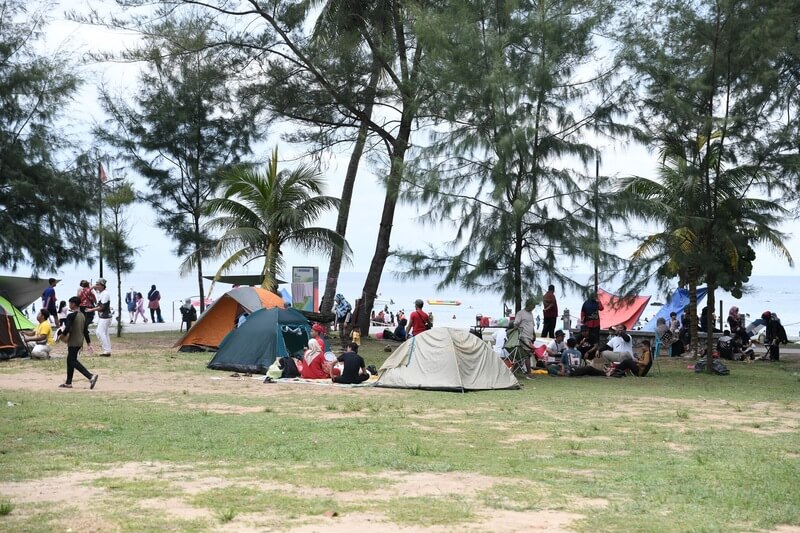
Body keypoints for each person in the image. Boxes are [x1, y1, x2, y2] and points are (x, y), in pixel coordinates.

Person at [57, 297, 98, 390]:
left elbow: (67, 329)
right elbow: (85, 331)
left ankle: (90, 376)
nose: (69, 305)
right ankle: (68, 383)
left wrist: (60, 337)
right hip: (80, 341)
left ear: (74, 304)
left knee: (72, 361)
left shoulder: (71, 315)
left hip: (73, 341)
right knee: (70, 360)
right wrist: (89, 343)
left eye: (70, 303)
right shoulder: (82, 315)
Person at [88, 278, 112, 357]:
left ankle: (106, 350)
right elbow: (96, 294)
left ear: (102, 286)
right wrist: (92, 288)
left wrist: (91, 310)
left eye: (98, 285)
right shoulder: (101, 293)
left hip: (105, 316)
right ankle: (107, 350)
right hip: (104, 316)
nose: (96, 286)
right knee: (105, 333)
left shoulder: (105, 294)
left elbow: (102, 307)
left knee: (99, 332)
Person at [514, 297, 537, 377]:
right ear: (529, 305)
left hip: (530, 337)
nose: (533, 308)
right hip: (523, 336)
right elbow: (516, 323)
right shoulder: (521, 313)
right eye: (532, 306)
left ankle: (514, 370)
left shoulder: (531, 314)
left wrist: (534, 334)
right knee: (528, 354)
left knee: (522, 355)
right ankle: (529, 372)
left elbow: (532, 325)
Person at [77, 280, 96, 353]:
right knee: (84, 328)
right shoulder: (90, 291)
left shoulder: (80, 291)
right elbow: (94, 300)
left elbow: (78, 299)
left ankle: (81, 346)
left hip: (82, 309)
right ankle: (89, 346)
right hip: (89, 309)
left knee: (82, 328)